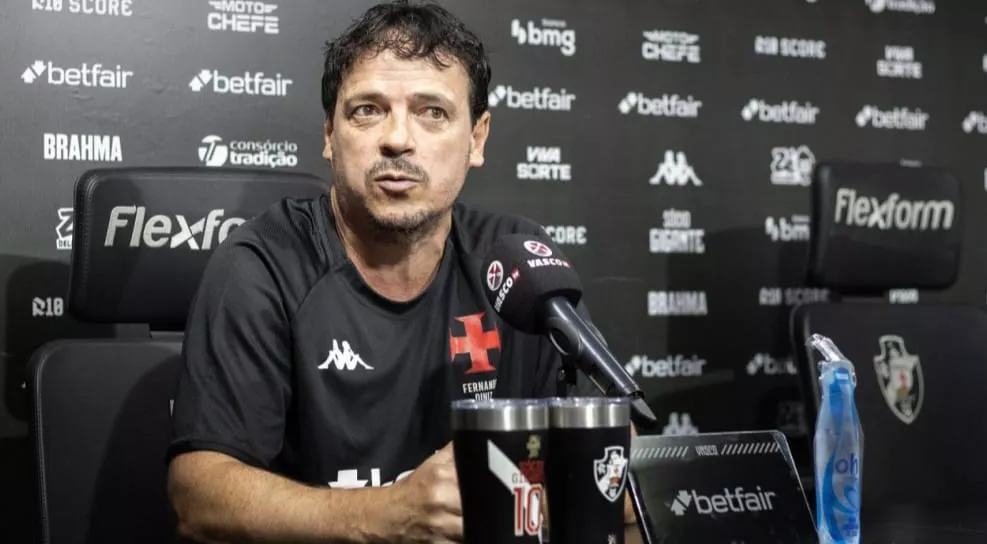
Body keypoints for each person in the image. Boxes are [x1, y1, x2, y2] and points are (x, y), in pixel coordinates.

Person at [166, 1, 635, 542]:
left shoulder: (518, 264)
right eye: (367, 109)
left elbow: (616, 461)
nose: (397, 139)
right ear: (328, 134)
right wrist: (384, 515)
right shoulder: (262, 266)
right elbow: (199, 494)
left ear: (477, 139)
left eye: (432, 111)